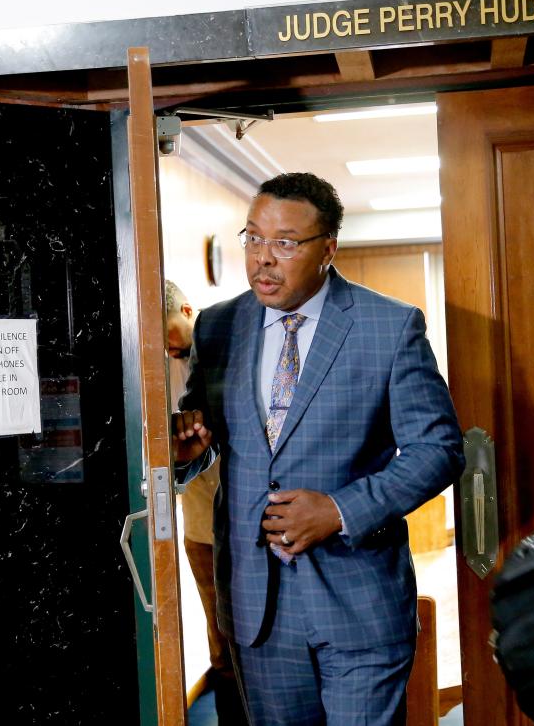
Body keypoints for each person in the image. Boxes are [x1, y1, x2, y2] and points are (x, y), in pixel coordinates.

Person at [171, 172, 464, 726]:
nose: (263, 259)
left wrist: (338, 510)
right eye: (253, 238)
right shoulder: (217, 326)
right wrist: (190, 454)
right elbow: (210, 438)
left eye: (284, 243)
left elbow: (439, 449)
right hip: (257, 610)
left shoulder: (389, 326)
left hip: (359, 602)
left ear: (328, 248)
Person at [165, 280, 246, 724]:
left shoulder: (225, 346)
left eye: (173, 340)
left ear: (188, 310)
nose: (169, 351)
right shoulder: (151, 371)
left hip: (252, 517)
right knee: (222, 647)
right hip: (199, 525)